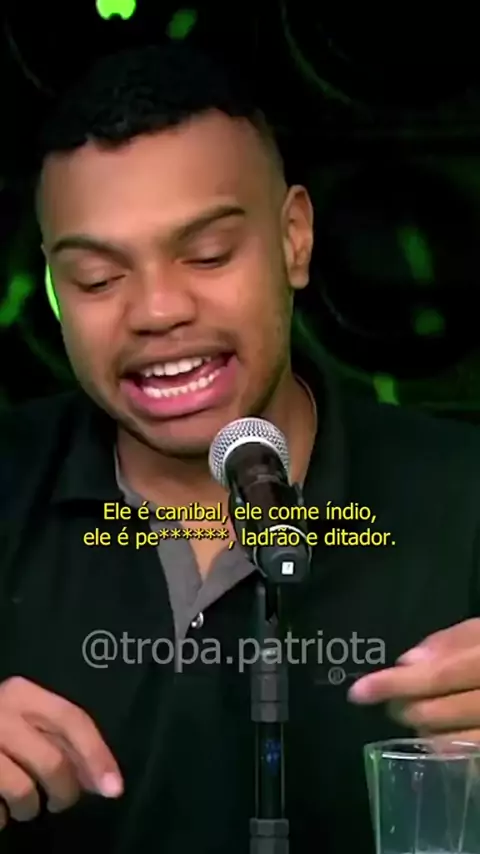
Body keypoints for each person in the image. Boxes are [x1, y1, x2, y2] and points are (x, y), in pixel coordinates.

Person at [1, 41, 480, 854]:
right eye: (97, 279)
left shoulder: (462, 496)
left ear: (294, 239)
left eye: (208, 255)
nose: (157, 310)